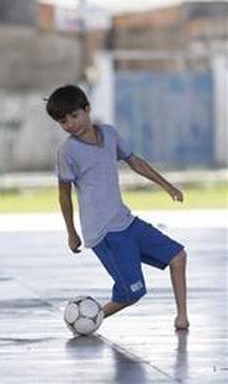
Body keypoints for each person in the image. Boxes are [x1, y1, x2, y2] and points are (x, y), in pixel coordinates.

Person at [45, 84, 189, 330]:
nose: (70, 124)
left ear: (87, 109)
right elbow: (64, 194)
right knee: (131, 293)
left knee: (178, 257)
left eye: (74, 116)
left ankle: (182, 317)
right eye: (63, 122)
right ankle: (87, 320)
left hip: (127, 222)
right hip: (104, 233)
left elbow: (135, 162)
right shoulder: (67, 152)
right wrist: (71, 232)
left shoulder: (110, 134)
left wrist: (167, 185)